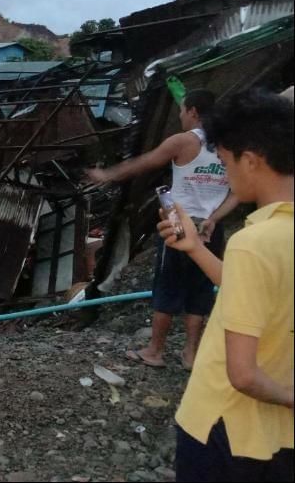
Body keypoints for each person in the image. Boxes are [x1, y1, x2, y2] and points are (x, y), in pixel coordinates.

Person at [156, 88, 293, 482]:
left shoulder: (252, 243)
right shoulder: (278, 236)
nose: (225, 173)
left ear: (250, 161)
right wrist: (196, 248)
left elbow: (243, 375)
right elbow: (250, 291)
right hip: (278, 436)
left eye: (226, 161)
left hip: (221, 426)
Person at [86, 89, 234, 369]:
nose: (179, 115)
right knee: (200, 289)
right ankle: (191, 355)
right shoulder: (228, 145)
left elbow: (145, 162)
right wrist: (214, 217)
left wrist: (107, 174)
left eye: (181, 110)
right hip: (211, 226)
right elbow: (237, 191)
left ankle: (155, 351)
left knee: (168, 286)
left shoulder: (183, 141)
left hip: (179, 223)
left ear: (192, 111)